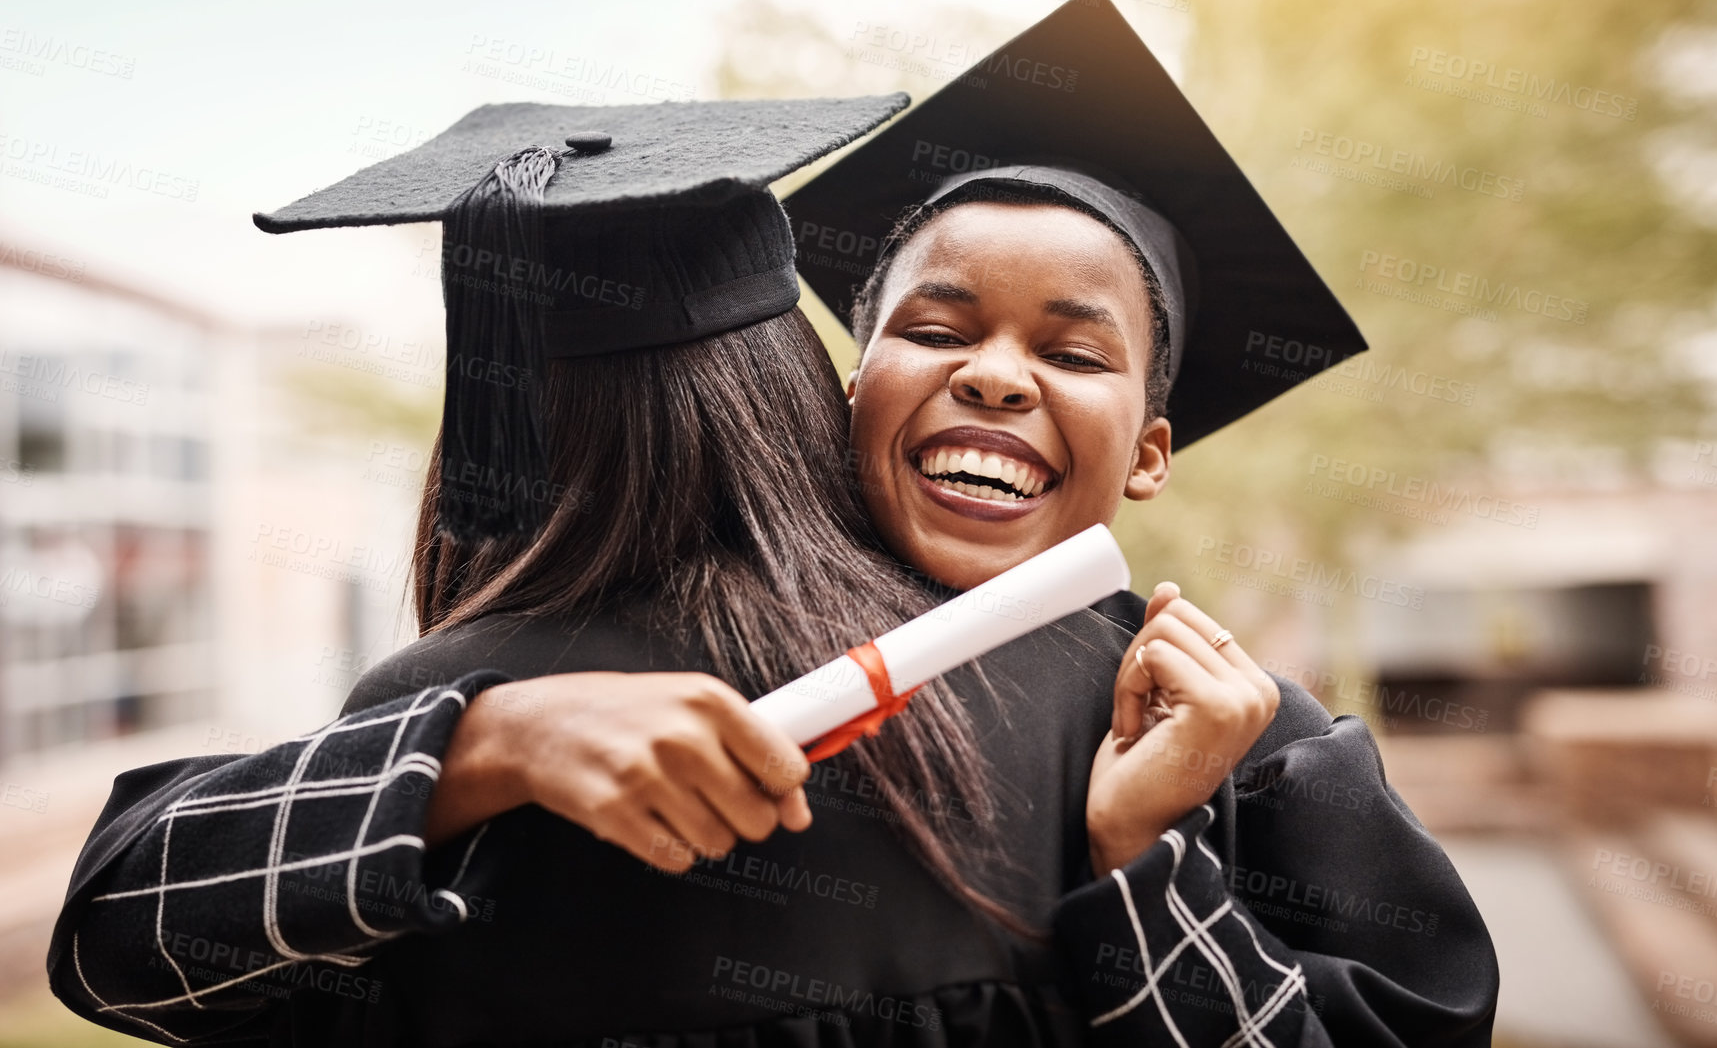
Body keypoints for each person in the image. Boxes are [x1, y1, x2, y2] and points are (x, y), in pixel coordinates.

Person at [44, 94, 1195, 1046]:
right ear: (816, 382)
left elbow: (118, 946)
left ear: (502, 419)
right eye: (939, 333)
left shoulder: (436, 722)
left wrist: (475, 744)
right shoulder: (1115, 702)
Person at [783, 0, 1501, 1045]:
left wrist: (1145, 854)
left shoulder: (1269, 752)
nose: (994, 377)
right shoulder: (724, 661)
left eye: (1071, 354)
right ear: (849, 396)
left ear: (1149, 455)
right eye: (937, 330)